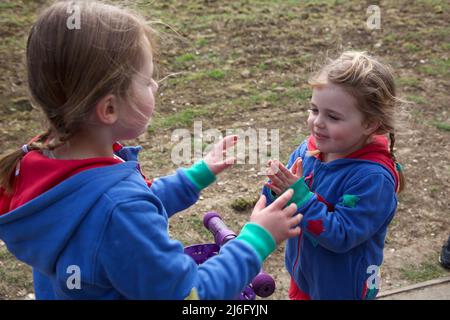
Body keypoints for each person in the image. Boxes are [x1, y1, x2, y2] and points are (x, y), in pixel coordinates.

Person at [0, 1, 302, 300]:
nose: (156, 86)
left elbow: (111, 216)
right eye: (146, 81)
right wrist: (256, 240)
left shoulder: (42, 163)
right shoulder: (117, 207)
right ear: (109, 108)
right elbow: (190, 295)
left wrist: (195, 177)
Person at [261, 51, 406, 300]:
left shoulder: (372, 179)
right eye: (314, 109)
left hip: (343, 287)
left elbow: (341, 235)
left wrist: (300, 196)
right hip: (304, 274)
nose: (317, 122)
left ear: (369, 124)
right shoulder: (309, 150)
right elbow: (281, 201)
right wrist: (276, 188)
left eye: (333, 116)